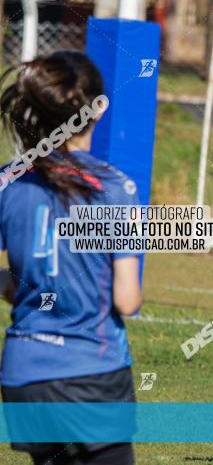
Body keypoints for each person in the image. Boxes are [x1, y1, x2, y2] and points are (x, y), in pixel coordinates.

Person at [0, 51, 142, 465]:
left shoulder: (9, 181)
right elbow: (127, 300)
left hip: (24, 373)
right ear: (99, 107)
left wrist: (18, 284)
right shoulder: (116, 188)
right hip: (91, 372)